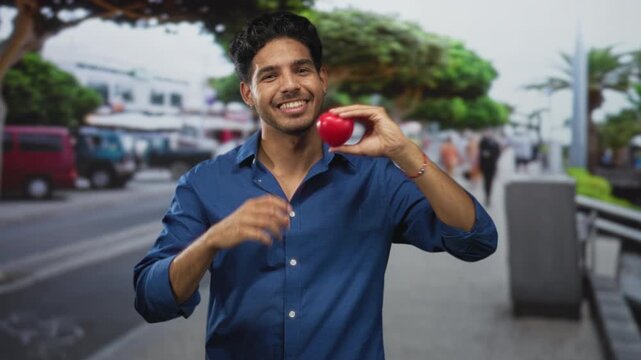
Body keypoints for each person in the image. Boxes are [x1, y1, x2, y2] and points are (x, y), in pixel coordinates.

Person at [133, 11, 497, 359]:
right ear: (248, 93)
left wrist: (405, 152)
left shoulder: (375, 178)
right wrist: (210, 241)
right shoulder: (203, 183)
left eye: (302, 69)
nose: (290, 85)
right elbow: (152, 300)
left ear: (322, 78)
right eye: (270, 76)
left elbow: (476, 239)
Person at [479, 130, 502, 206]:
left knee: (490, 181)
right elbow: (481, 152)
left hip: (492, 166)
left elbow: (498, 153)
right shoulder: (483, 142)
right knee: (486, 181)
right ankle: (487, 195)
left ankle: (488, 195)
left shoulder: (495, 143)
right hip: (485, 166)